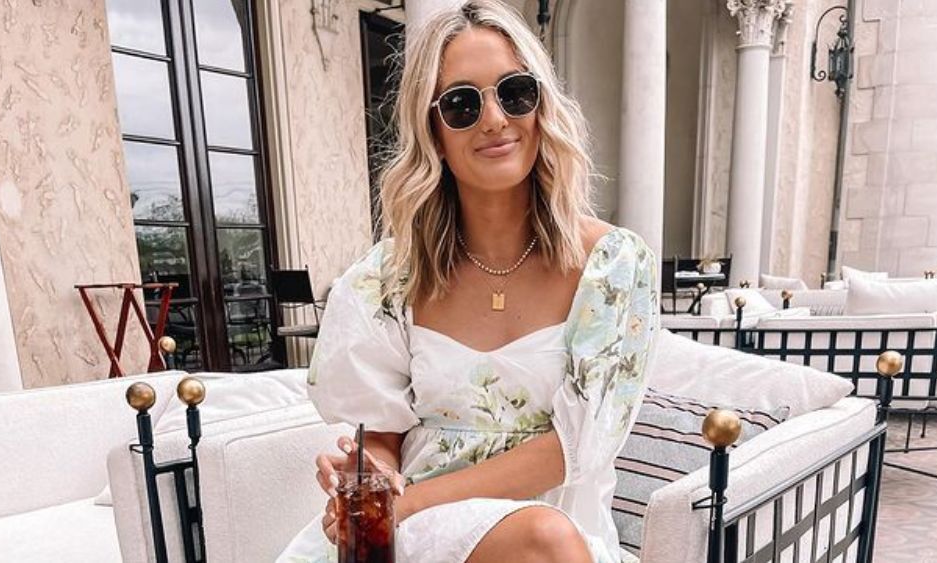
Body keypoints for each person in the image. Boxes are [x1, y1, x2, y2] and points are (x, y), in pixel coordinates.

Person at [278, 1, 658, 561]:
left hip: (551, 531)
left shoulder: (611, 266)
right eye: (461, 103)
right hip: (420, 535)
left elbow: (576, 449)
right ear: (432, 128)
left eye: (515, 92)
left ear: (541, 105)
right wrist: (370, 478)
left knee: (544, 539)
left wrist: (407, 500)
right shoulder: (387, 279)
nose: (494, 119)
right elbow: (383, 435)